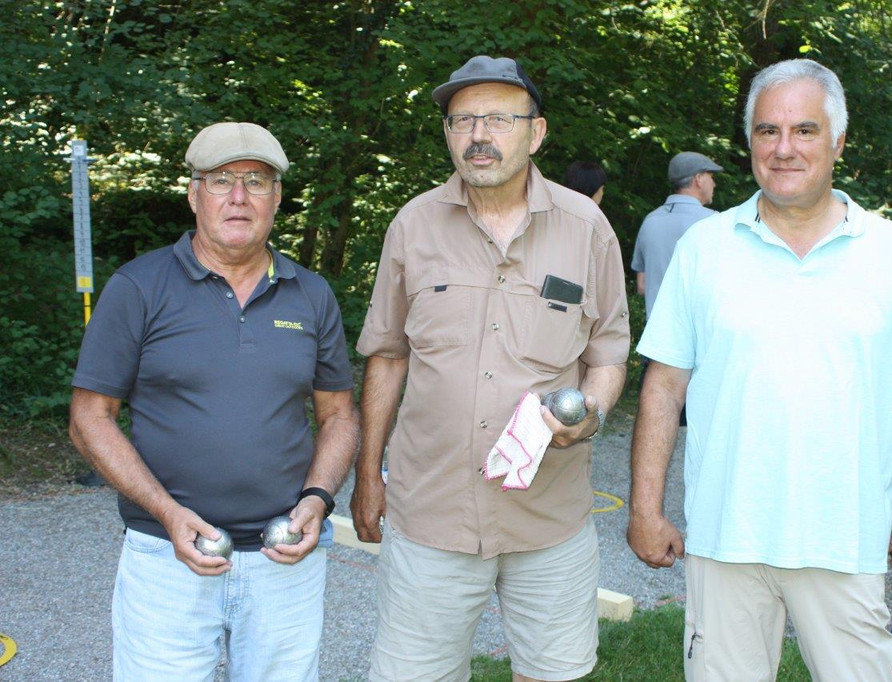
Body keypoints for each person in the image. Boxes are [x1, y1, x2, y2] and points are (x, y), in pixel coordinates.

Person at [627, 59, 892, 680]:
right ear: (749, 141)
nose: (784, 149)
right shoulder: (705, 249)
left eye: (804, 130)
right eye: (767, 131)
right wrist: (645, 508)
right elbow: (664, 387)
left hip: (844, 542)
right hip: (726, 540)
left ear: (838, 141)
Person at [351, 55, 630, 682]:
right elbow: (388, 356)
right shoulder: (413, 225)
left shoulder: (587, 229)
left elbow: (608, 353)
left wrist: (589, 412)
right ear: (449, 134)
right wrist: (368, 475)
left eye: (500, 119)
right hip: (431, 516)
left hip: (549, 519)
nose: (479, 135)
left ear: (536, 133)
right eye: (463, 120)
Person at [68, 121, 360, 681]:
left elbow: (339, 414)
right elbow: (89, 418)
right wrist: (167, 512)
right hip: (165, 557)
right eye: (221, 179)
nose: (238, 196)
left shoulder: (311, 293)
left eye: (257, 181)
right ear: (193, 194)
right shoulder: (138, 286)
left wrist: (319, 499)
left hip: (284, 559)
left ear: (277, 197)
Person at [631, 151, 722, 321]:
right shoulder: (714, 222)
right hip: (699, 332)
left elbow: (642, 285)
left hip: (657, 331)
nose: (714, 184)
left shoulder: (650, 221)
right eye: (711, 176)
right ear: (699, 179)